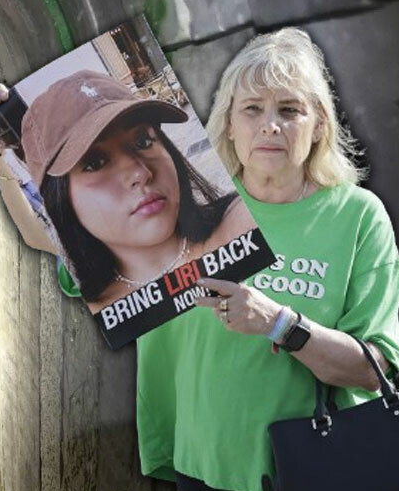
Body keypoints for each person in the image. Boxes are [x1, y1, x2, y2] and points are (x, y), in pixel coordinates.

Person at [0, 28, 399, 491]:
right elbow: (45, 237)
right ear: (230, 124)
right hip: (205, 471)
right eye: (252, 109)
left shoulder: (357, 216)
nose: (270, 127)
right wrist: (0, 153)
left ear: (319, 123)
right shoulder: (171, 228)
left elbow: (376, 367)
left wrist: (281, 323)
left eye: (290, 109)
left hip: (318, 472)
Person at [17, 70, 255, 314]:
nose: (140, 173)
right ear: (61, 200)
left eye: (143, 141)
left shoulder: (242, 222)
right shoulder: (93, 313)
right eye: (95, 163)